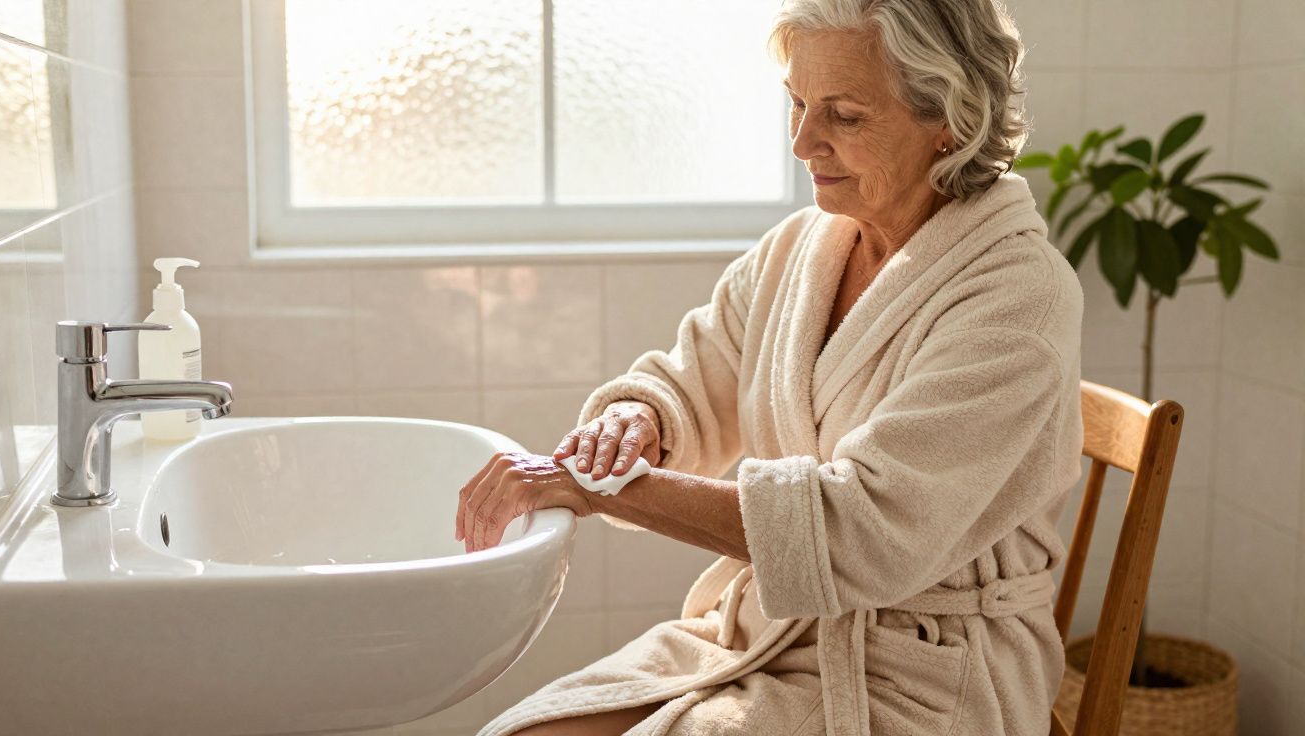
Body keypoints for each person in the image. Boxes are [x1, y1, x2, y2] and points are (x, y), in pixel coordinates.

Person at [457, 1, 1083, 733]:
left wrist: (604, 488)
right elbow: (693, 380)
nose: (802, 142)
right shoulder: (802, 250)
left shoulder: (1015, 298)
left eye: (844, 115)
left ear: (951, 118)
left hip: (927, 675)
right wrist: (640, 417)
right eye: (796, 104)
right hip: (762, 635)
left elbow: (857, 533)